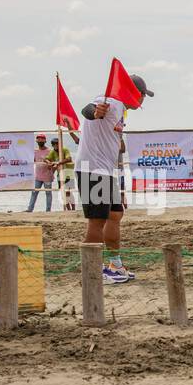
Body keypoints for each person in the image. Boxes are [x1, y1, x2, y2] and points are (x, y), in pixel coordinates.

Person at [76, 74, 152, 285]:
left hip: (105, 171)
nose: (143, 99)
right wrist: (96, 111)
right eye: (144, 95)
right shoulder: (110, 100)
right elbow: (88, 109)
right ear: (135, 92)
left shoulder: (121, 109)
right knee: (97, 220)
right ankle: (92, 271)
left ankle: (115, 265)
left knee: (115, 214)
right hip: (92, 169)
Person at [45, 136, 77, 211]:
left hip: (68, 172)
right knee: (62, 192)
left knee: (68, 192)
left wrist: (58, 163)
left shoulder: (65, 150)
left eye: (57, 144)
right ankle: (68, 209)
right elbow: (46, 159)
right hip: (60, 174)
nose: (55, 145)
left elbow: (69, 159)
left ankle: (73, 209)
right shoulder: (53, 152)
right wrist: (49, 163)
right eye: (53, 144)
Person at [27, 134, 54, 212]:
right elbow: (33, 161)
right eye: (38, 140)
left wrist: (50, 166)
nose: (40, 141)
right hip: (38, 176)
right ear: (36, 141)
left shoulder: (50, 151)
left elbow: (53, 162)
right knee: (34, 192)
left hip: (47, 176)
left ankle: (48, 210)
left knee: (48, 193)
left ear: (45, 141)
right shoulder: (35, 151)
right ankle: (30, 209)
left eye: (42, 139)